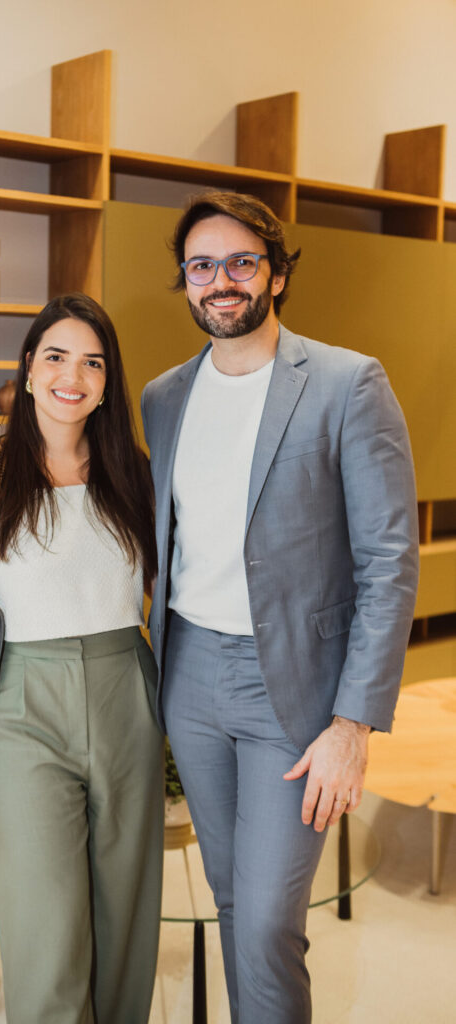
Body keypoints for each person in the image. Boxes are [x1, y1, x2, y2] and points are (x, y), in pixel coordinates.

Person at [141, 190, 419, 1024]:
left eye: (240, 261)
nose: (220, 280)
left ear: (276, 274)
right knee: (231, 898)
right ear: (185, 281)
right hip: (189, 675)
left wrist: (352, 724)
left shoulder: (345, 382)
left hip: (293, 687)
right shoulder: (163, 397)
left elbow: (387, 561)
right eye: (201, 266)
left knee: (266, 920)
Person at [0, 293, 164, 1024]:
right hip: (21, 706)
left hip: (126, 691)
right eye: (55, 357)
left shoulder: (132, 470)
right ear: (28, 369)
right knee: (46, 926)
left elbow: (163, 594)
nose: (71, 377)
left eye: (92, 363)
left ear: (108, 382)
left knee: (125, 920)